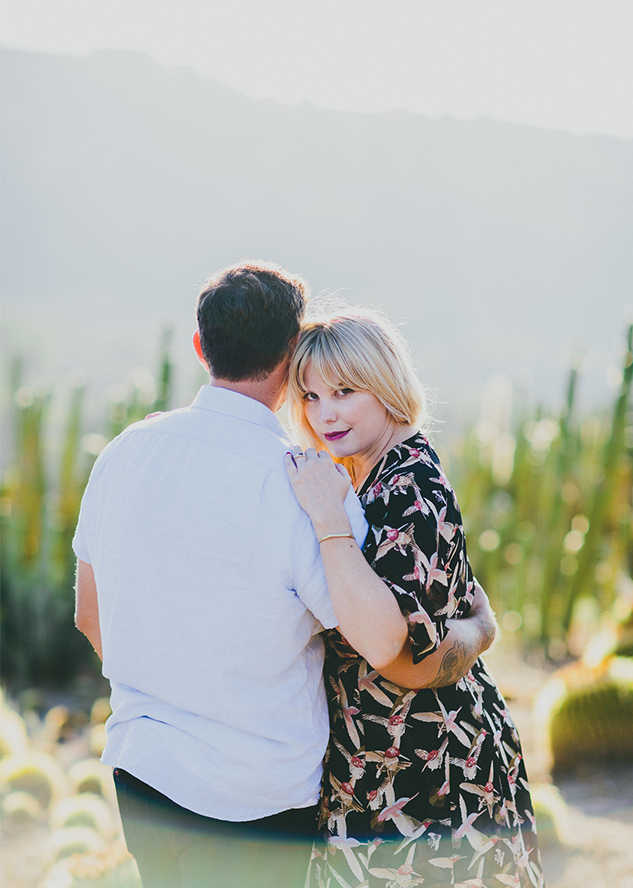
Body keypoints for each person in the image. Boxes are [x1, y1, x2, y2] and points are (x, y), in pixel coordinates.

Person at [73, 261, 493, 888]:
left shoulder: (122, 453)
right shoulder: (302, 484)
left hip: (145, 774)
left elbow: (88, 614)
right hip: (255, 794)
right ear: (295, 351)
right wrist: (481, 628)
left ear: (199, 346)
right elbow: (387, 646)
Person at [284, 308, 545, 888]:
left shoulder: (406, 489)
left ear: (384, 383)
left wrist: (328, 522)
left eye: (344, 391)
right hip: (390, 757)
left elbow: (409, 660)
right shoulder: (376, 473)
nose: (324, 412)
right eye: (309, 395)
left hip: (421, 765)